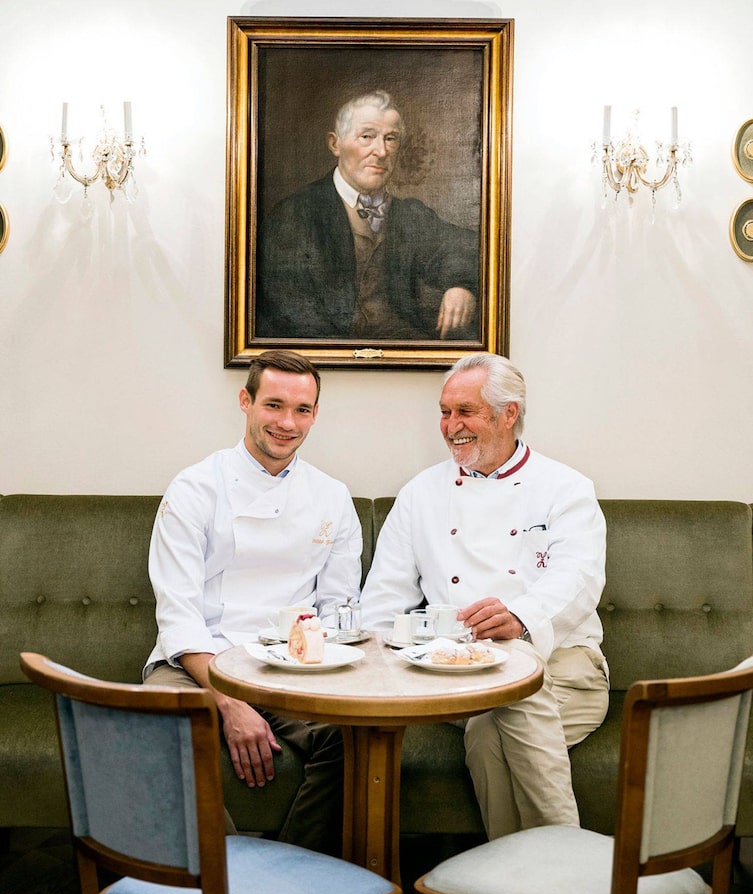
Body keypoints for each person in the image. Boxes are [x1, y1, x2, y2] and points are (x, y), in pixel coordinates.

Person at [361, 352, 609, 843]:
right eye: (445, 411)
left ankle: (519, 879)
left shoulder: (566, 489)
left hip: (564, 667)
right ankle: (564, 867)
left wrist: (520, 616)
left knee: (502, 713)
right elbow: (383, 601)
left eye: (465, 411)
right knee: (499, 706)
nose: (451, 426)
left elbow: (578, 578)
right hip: (453, 677)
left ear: (509, 413)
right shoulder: (420, 494)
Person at [143, 350, 362, 855]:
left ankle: (295, 872)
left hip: (290, 662)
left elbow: (337, 607)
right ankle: (224, 883)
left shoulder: (332, 496)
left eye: (302, 409)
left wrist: (319, 668)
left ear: (314, 414)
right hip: (198, 661)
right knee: (157, 727)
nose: (287, 423)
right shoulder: (195, 488)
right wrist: (229, 701)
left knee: (355, 737)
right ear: (246, 402)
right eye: (274, 405)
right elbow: (178, 612)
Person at [256, 90, 479, 341]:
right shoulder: (294, 215)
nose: (381, 151)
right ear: (335, 144)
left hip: (403, 356)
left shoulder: (409, 215)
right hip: (328, 357)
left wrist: (461, 286)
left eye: (391, 139)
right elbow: (289, 310)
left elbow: (468, 246)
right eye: (367, 137)